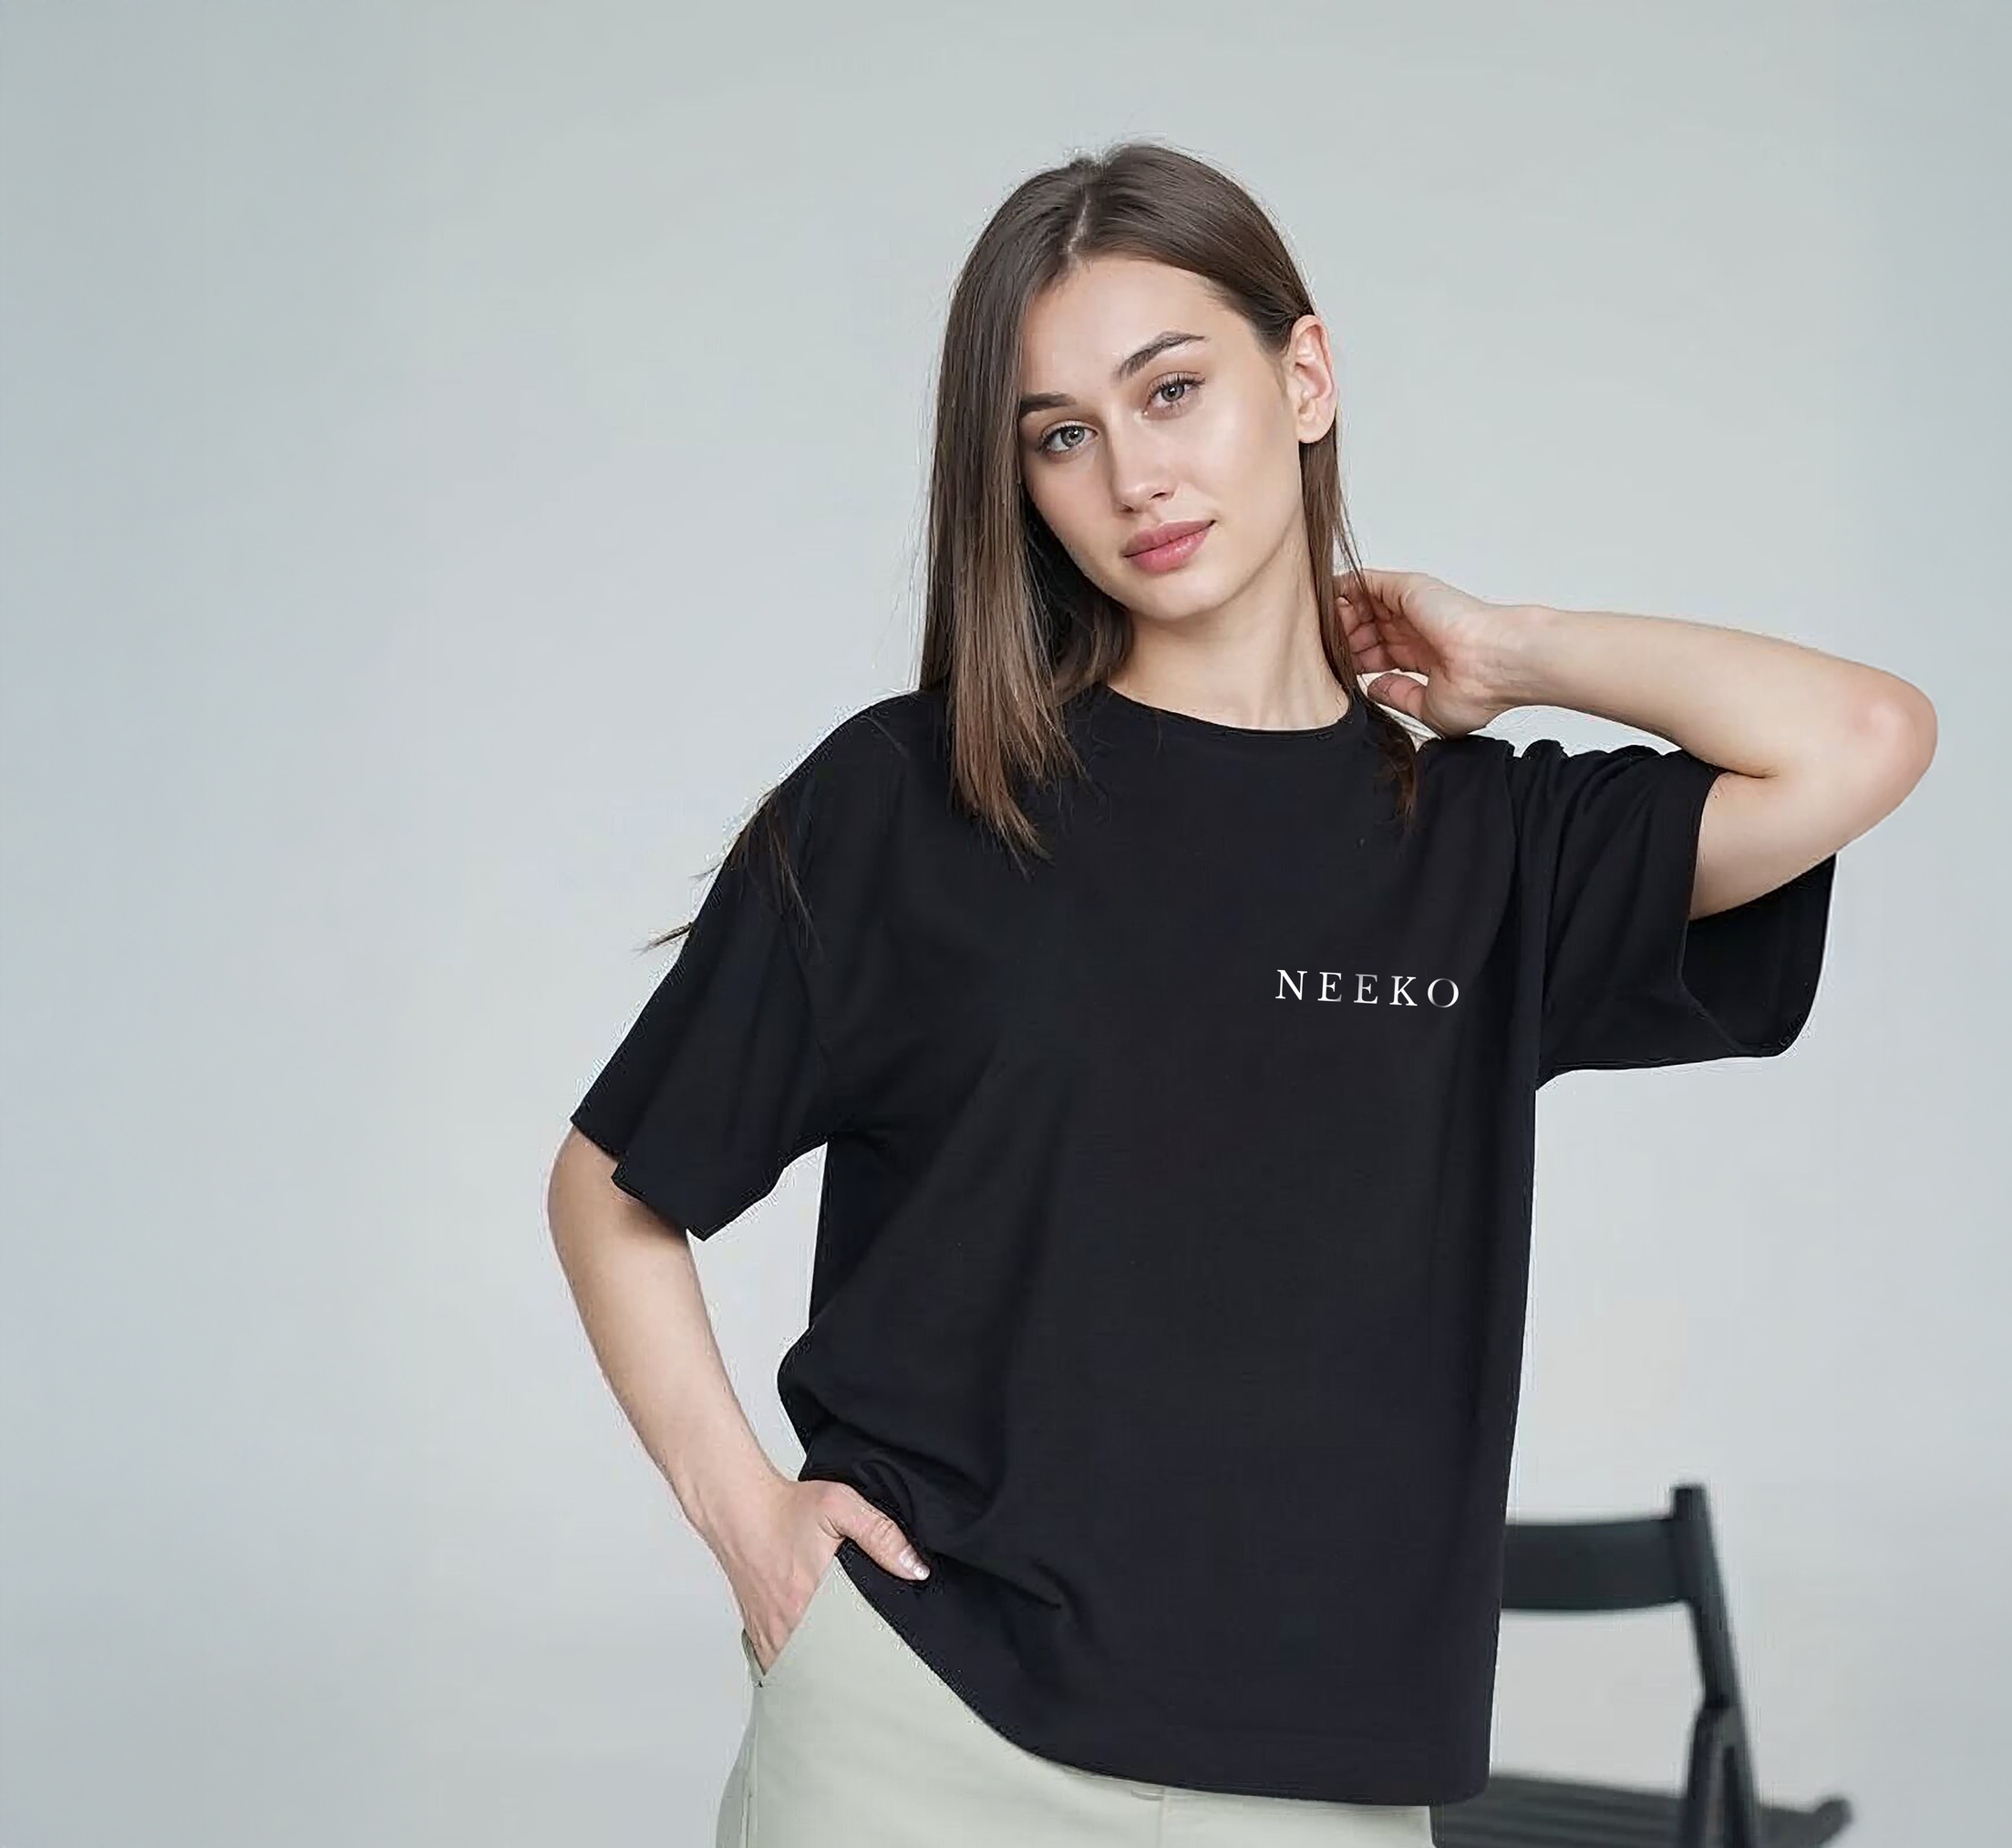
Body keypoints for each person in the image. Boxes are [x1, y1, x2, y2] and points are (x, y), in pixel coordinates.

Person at [544, 139, 1935, 1848]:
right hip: (919, 1740)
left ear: (1306, 376)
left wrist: (1514, 650)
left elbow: (1863, 740)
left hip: (1318, 1789)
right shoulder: (914, 800)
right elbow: (612, 1192)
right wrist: (751, 1525)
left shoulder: (1485, 848)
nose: (1133, 474)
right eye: (1062, 434)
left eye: (1173, 390)